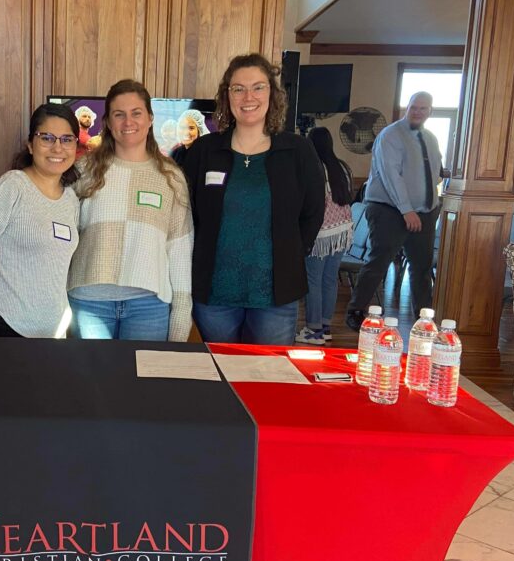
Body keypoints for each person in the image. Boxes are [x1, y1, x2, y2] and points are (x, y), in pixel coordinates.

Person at [181, 53, 326, 345]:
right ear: (227, 96)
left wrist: (292, 253)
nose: (249, 96)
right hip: (214, 292)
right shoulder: (203, 151)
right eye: (238, 88)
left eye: (258, 87)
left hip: (275, 293)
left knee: (268, 377)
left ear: (272, 94)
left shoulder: (297, 151)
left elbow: (313, 213)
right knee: (221, 374)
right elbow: (187, 213)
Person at [67, 79, 194, 341]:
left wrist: (182, 313)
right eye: (119, 114)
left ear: (149, 118)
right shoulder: (83, 171)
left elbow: (180, 249)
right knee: (92, 383)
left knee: (144, 382)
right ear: (108, 122)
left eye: (136, 113)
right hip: (89, 303)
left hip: (148, 306)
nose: (128, 122)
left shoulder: (171, 177)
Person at [0, 103, 81, 337]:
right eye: (47, 138)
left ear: (76, 145)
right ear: (30, 145)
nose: (58, 148)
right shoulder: (13, 186)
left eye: (67, 139)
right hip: (6, 325)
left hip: (53, 330)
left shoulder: (71, 199)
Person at [345, 91, 442, 331]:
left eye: (423, 108)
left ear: (430, 112)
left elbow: (433, 172)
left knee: (422, 267)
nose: (418, 112)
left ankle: (423, 319)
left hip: (424, 212)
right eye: (414, 107)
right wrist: (406, 210)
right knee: (379, 260)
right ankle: (356, 310)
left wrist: (432, 205)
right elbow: (391, 176)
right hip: (388, 209)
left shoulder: (430, 138)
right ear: (405, 108)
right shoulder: (390, 135)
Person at [296, 126, 355, 345]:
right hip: (342, 231)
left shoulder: (315, 167)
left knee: (313, 280)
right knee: (330, 280)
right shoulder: (342, 167)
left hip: (321, 233)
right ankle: (325, 328)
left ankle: (313, 331)